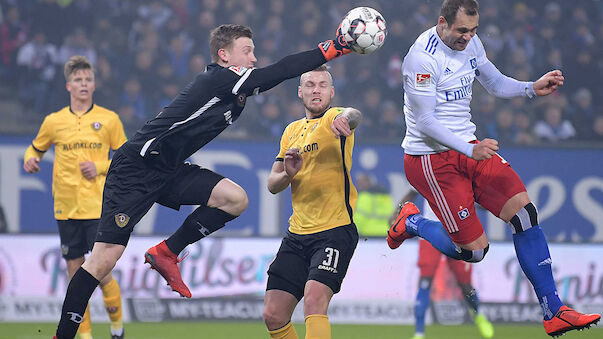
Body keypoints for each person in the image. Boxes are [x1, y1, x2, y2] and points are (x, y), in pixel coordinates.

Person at [53, 23, 354, 339]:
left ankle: (167, 252)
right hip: (137, 168)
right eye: (247, 51)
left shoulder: (235, 93)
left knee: (235, 199)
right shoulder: (222, 78)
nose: (254, 58)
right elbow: (278, 71)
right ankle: (64, 335)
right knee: (103, 260)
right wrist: (333, 48)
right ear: (224, 56)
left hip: (169, 169)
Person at [387, 0, 600, 337]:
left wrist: (531, 87)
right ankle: (411, 221)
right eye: (461, 31)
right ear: (442, 22)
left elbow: (494, 82)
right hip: (431, 160)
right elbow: (426, 122)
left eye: (473, 30)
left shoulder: (471, 43)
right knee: (475, 252)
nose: (468, 37)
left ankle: (553, 310)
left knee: (526, 215)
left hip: (469, 150)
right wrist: (471, 148)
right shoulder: (421, 59)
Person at [24, 55, 126, 339]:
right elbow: (35, 149)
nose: (83, 84)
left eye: (88, 80)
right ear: (68, 86)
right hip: (66, 208)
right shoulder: (54, 121)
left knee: (102, 274)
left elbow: (126, 159)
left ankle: (117, 331)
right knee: (75, 277)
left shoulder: (109, 120)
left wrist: (100, 166)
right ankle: (86, 336)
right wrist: (30, 160)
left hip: (98, 208)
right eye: (78, 80)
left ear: (94, 85)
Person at [263, 65, 362, 339]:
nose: (315, 89)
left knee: (314, 301)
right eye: (309, 84)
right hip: (297, 235)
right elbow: (272, 184)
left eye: (321, 85)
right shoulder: (291, 131)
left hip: (334, 231)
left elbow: (352, 114)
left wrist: (347, 119)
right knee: (273, 314)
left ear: (331, 93)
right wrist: (288, 174)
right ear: (300, 92)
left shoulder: (333, 117)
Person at [394, 193, 493, 339]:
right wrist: (396, 214)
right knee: (425, 281)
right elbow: (411, 192)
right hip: (429, 232)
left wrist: (490, 205)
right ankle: (419, 332)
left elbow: (471, 199)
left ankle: (479, 316)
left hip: (456, 233)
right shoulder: (424, 171)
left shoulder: (459, 174)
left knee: (465, 284)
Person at [354, 172, 394, 236]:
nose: (358, 185)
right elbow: (392, 217)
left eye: (361, 182)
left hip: (368, 235)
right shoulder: (386, 197)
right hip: (386, 233)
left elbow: (359, 219)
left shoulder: (364, 196)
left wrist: (353, 232)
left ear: (369, 182)